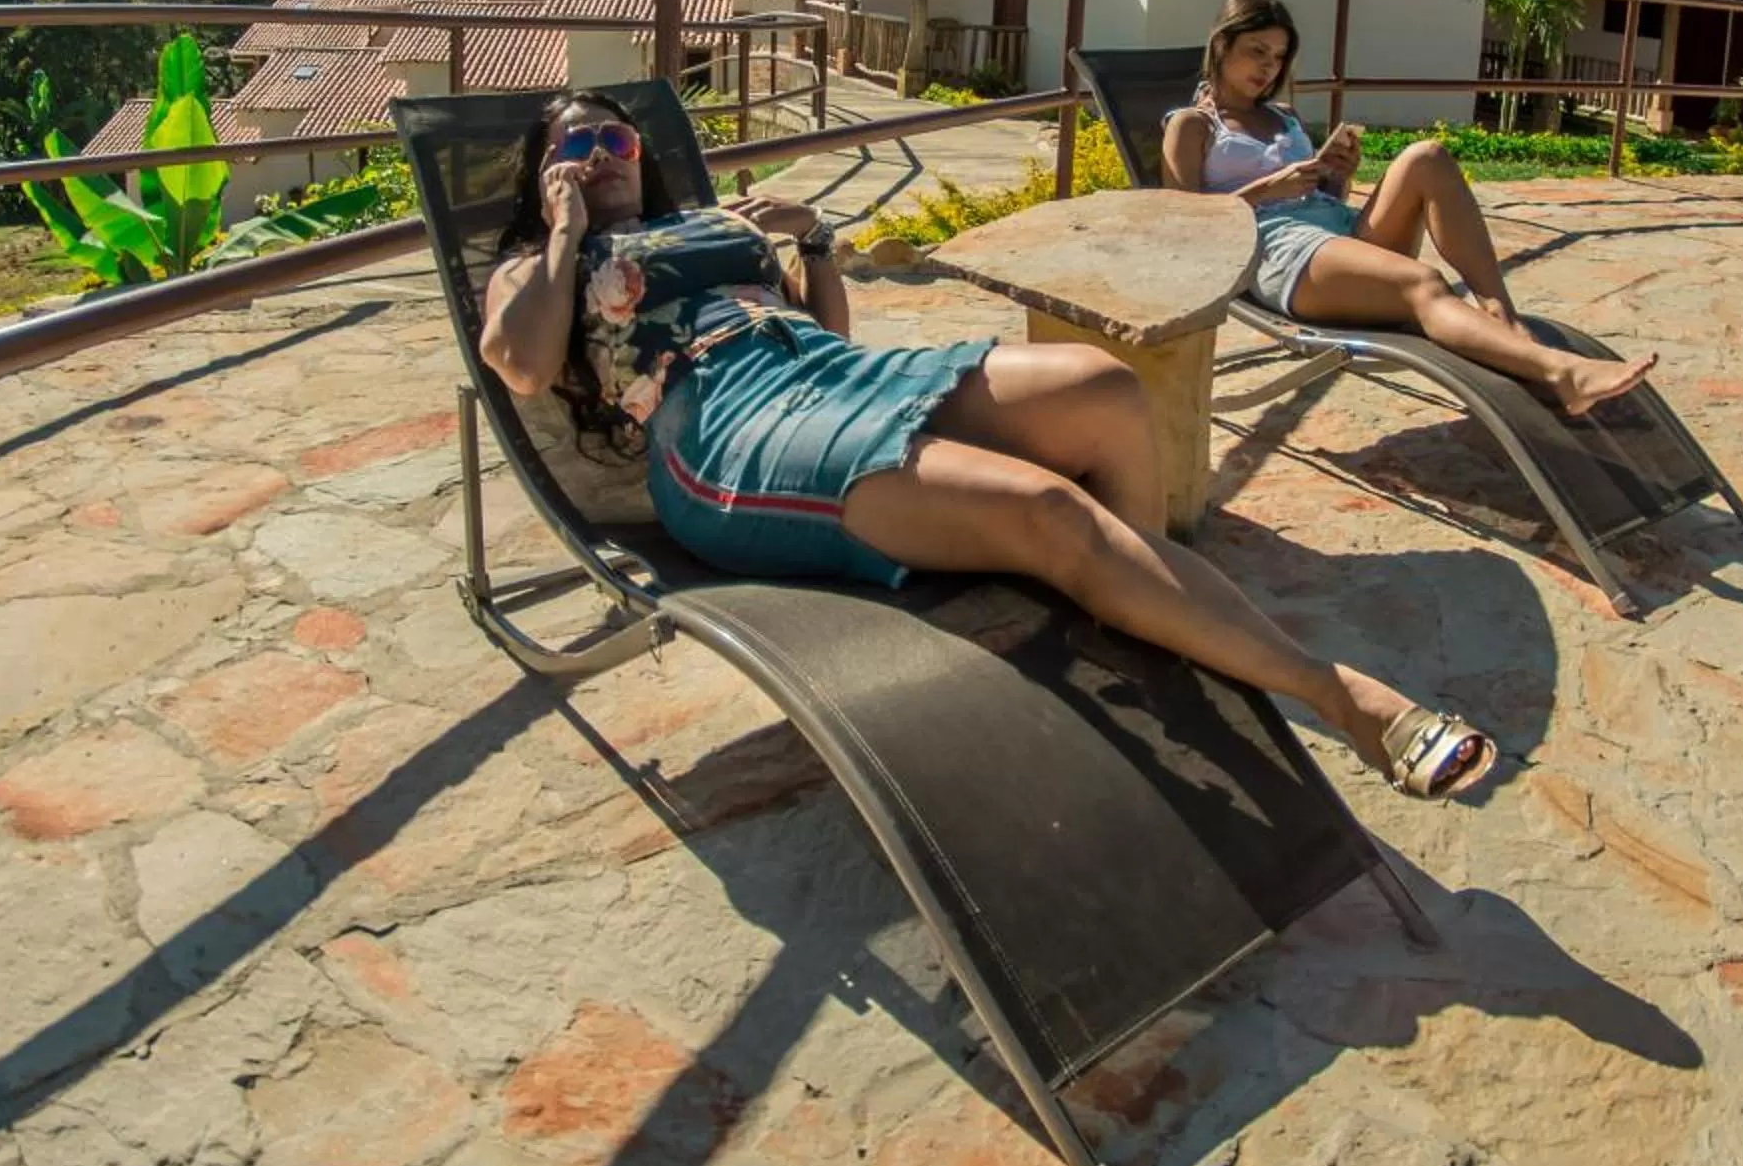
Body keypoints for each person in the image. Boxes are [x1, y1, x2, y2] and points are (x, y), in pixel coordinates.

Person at [480, 88, 1494, 801]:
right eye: (576, 149)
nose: (603, 161)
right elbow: (520, 365)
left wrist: (815, 239)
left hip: (821, 376)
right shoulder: (537, 262)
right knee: (1046, 507)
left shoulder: (705, 218)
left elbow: (832, 336)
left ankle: (1134, 610)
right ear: (543, 176)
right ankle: (1337, 690)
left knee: (1105, 389)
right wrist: (565, 234)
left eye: (616, 145)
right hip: (730, 434)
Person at [1163, 0, 1656, 418]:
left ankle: (1499, 311)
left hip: (1337, 233)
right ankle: (1562, 372)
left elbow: (1321, 199)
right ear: (1222, 44)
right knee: (1423, 283)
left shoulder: (1285, 116)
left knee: (1428, 157)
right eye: (1256, 51)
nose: (1268, 66)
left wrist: (1340, 175)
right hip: (1278, 252)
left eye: (1278, 55)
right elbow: (1183, 225)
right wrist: (1268, 189)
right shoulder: (1192, 125)